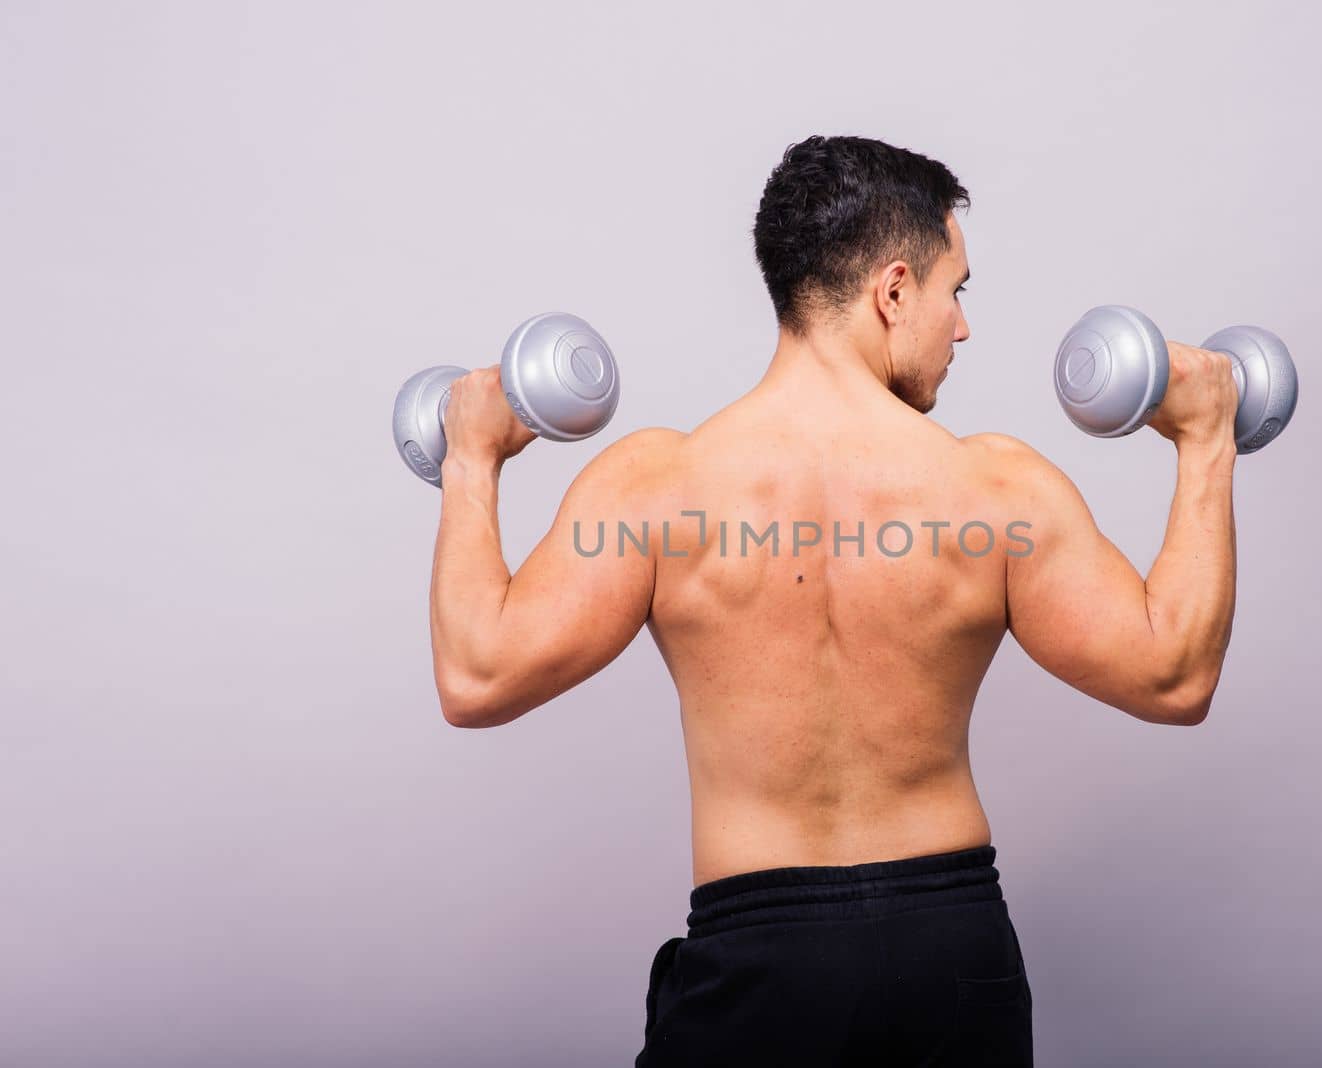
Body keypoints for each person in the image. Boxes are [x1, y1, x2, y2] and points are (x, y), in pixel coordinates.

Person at [426, 134, 1240, 1066]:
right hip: (951, 953)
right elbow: (1174, 677)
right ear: (893, 291)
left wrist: (470, 459)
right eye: (955, 292)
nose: (962, 327)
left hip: (757, 959)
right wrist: (1206, 441)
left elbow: (476, 676)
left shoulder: (656, 488)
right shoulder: (995, 491)